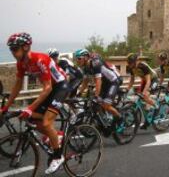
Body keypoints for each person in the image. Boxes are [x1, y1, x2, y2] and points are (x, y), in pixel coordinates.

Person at [0, 33, 68, 174]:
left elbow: (48, 87)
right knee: (31, 118)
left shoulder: (40, 59)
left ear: (25, 47)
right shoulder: (21, 63)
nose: (13, 52)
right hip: (50, 89)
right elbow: (17, 86)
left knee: (46, 122)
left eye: (15, 49)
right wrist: (6, 107)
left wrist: (30, 107)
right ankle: (56, 135)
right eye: (11, 49)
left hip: (60, 86)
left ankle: (58, 156)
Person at [75, 49, 123, 129]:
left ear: (86, 57)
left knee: (106, 105)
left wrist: (96, 95)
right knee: (97, 104)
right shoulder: (85, 67)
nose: (77, 60)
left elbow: (98, 81)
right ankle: (105, 119)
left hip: (113, 82)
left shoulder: (95, 63)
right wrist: (79, 93)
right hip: (104, 84)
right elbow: (85, 82)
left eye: (79, 58)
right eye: (76, 58)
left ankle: (120, 118)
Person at [126, 53, 158, 129]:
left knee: (145, 95)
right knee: (141, 98)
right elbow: (132, 81)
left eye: (131, 63)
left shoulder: (143, 66)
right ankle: (147, 118)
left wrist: (144, 92)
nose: (129, 65)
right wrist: (127, 89)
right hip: (144, 80)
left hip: (153, 79)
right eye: (129, 63)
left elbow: (148, 81)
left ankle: (156, 105)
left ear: (135, 61)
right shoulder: (131, 68)